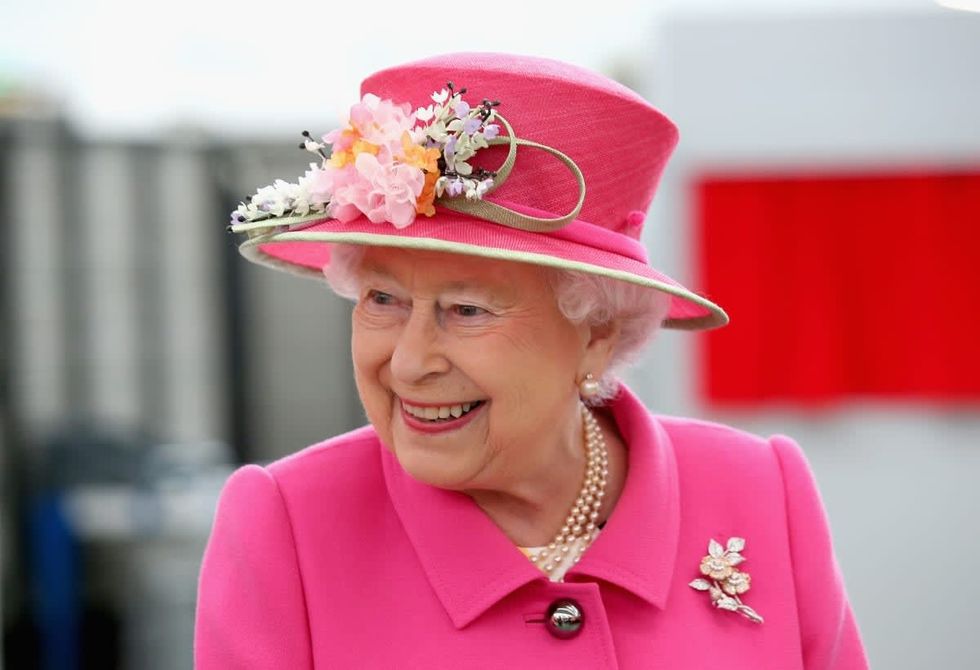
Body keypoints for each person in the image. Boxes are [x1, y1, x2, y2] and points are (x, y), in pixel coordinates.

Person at [194, 52, 869, 669]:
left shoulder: (760, 491)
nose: (408, 363)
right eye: (383, 299)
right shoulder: (287, 526)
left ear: (597, 332)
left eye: (467, 309)